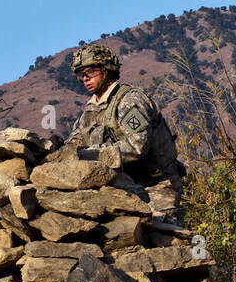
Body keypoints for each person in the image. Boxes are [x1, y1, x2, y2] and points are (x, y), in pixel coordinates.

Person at [63, 44, 186, 224]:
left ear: (107, 70)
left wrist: (95, 154)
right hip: (124, 188)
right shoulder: (89, 112)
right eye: (81, 74)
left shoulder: (129, 100)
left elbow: (137, 145)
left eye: (90, 71)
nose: (85, 78)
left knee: (163, 240)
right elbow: (73, 146)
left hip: (157, 187)